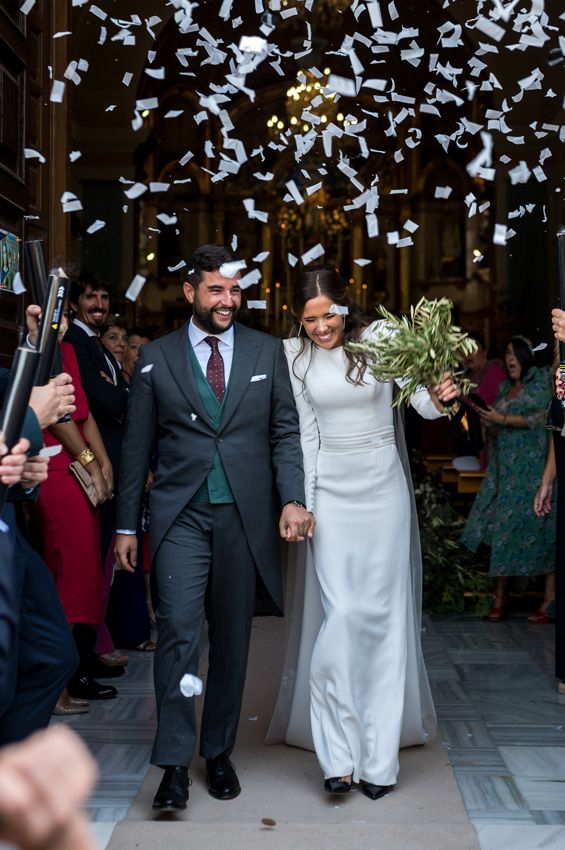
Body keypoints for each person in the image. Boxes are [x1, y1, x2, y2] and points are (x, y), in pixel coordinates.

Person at [114, 244, 314, 812]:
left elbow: (284, 431)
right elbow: (135, 451)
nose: (228, 300)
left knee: (232, 637)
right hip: (181, 515)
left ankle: (219, 750)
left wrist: (292, 497)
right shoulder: (156, 357)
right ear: (190, 293)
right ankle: (174, 764)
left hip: (243, 517)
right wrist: (126, 526)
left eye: (234, 290)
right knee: (178, 630)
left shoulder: (266, 350)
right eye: (216, 290)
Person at [267, 268, 458, 801]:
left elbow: (420, 403)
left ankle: (378, 760)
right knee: (343, 618)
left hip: (383, 493)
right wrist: (301, 502)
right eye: (310, 319)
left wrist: (440, 394)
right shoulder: (294, 357)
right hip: (331, 497)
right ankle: (337, 756)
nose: (321, 327)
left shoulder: (382, 340)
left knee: (383, 621)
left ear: (345, 309)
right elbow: (304, 436)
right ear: (297, 319)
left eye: (329, 314)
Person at [32, 306, 117, 709]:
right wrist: (89, 462)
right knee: (66, 574)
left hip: (76, 464)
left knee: (82, 573)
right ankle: (56, 686)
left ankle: (71, 672)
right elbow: (61, 418)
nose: (62, 321)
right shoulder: (44, 352)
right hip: (56, 467)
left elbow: (86, 415)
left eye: (64, 312)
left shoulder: (67, 348)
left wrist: (104, 462)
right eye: (55, 313)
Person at [461, 336, 554, 622]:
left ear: (526, 356)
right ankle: (500, 596)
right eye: (507, 353)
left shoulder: (540, 383)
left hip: (534, 469)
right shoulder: (504, 388)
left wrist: (500, 419)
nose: (510, 358)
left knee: (543, 529)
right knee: (503, 530)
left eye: (515, 353)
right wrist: (488, 420)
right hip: (506, 470)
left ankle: (549, 599)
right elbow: (497, 423)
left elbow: (541, 418)